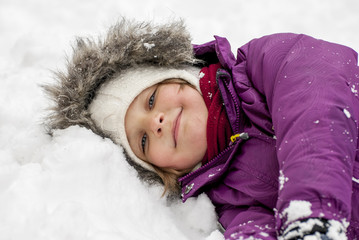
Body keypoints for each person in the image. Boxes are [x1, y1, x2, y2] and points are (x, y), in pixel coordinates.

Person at [44, 19, 359, 240]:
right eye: (141, 139)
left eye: (151, 99)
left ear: (178, 73)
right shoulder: (229, 200)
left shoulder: (264, 63)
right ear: (159, 169)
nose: (156, 122)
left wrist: (311, 217)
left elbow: (317, 113)